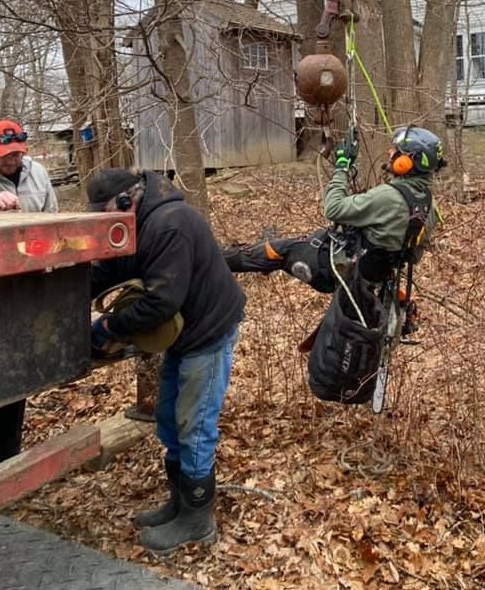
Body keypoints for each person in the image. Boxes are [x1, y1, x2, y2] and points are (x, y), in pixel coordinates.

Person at [86, 168, 245, 556]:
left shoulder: (168, 225)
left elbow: (161, 301)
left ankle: (197, 521)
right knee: (170, 419)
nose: (107, 221)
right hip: (183, 335)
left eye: (109, 212)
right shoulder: (135, 225)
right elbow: (110, 270)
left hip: (207, 333)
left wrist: (109, 326)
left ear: (129, 200)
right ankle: (178, 503)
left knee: (194, 425)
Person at [224, 125, 446, 293]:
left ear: (406, 163)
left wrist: (342, 168)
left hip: (340, 270)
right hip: (375, 276)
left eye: (396, 151)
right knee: (310, 240)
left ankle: (220, 260)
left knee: (282, 249)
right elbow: (414, 254)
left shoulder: (389, 197)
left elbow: (332, 208)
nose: (390, 153)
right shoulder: (428, 202)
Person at [0, 118, 58, 463]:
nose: (11, 161)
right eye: (4, 156)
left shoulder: (37, 174)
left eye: (16, 154)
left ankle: (8, 461)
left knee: (16, 380)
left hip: (27, 290)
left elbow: (53, 218)